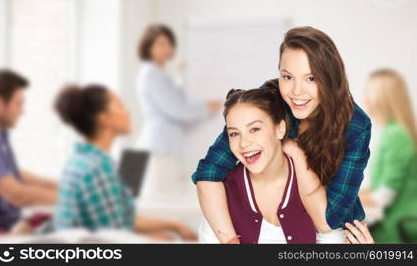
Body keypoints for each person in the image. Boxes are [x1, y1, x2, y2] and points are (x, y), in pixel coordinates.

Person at [192, 26, 372, 243]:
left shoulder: (356, 126)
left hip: (327, 226)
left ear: (331, 79)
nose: (296, 91)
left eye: (311, 78)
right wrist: (230, 241)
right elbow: (209, 171)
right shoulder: (270, 100)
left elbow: (330, 221)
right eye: (287, 77)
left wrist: (296, 153)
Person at [53, 84, 196, 241]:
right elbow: (114, 238)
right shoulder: (98, 168)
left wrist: (173, 225)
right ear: (104, 118)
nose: (127, 112)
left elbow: (123, 221)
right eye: (119, 106)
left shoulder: (82, 160)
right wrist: (156, 239)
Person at [136, 24, 221, 199]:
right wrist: (206, 108)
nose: (166, 48)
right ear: (148, 46)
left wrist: (180, 77)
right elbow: (176, 109)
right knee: (161, 204)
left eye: (169, 43)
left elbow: (175, 100)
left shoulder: (158, 74)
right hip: (158, 150)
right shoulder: (151, 74)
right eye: (160, 43)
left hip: (162, 149)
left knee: (164, 201)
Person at [0, 69, 58, 233]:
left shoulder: (1, 135)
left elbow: (14, 174)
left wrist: (60, 185)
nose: (22, 111)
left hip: (13, 224)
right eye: (18, 104)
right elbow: (15, 194)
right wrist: (73, 200)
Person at [360, 69, 417, 243]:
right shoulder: (392, 132)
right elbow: (379, 187)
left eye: (369, 94)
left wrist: (333, 198)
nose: (365, 100)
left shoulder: (396, 135)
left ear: (383, 99)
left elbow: (382, 197)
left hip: (398, 230)